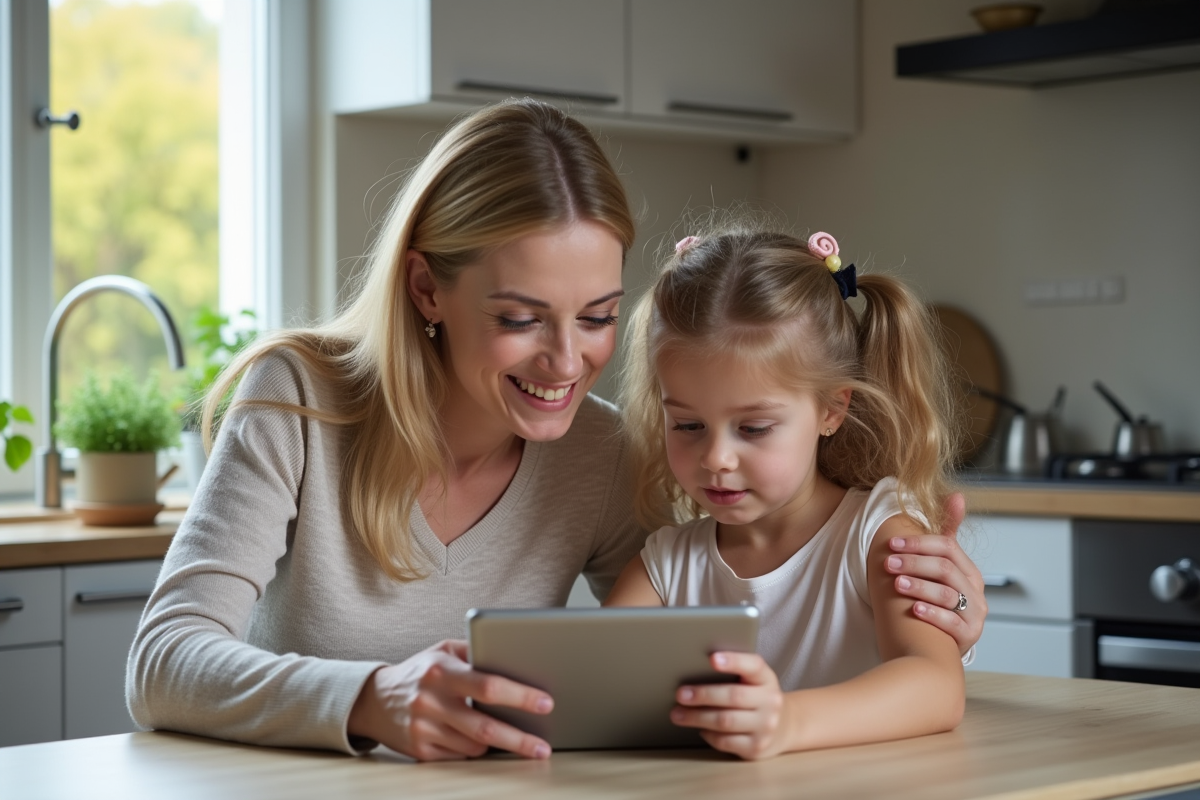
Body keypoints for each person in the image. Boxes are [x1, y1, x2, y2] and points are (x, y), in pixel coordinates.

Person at [127, 99, 987, 762]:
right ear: (428, 289)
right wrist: (369, 697)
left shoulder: (599, 450)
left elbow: (691, 649)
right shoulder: (299, 403)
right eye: (522, 317)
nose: (567, 362)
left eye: (599, 316)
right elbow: (163, 660)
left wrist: (934, 612)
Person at [605, 223, 970, 759]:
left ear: (831, 409)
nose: (715, 458)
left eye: (753, 428)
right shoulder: (666, 566)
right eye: (687, 425)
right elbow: (589, 678)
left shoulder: (878, 537)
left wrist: (787, 723)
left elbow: (936, 689)